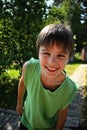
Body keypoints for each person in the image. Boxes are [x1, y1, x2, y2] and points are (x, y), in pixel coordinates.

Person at [16, 23, 78, 130]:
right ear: (38, 52)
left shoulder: (69, 88)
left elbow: (62, 116)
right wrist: (19, 103)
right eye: (46, 53)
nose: (52, 62)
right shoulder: (29, 67)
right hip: (26, 122)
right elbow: (22, 83)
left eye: (60, 55)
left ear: (69, 57)